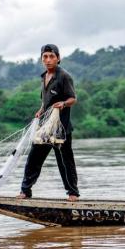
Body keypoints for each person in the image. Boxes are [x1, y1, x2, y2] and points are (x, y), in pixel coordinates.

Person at [18, 44, 80, 201]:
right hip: (45, 128)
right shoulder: (44, 76)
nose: (48, 60)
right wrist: (41, 109)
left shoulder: (64, 76)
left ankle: (72, 193)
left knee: (65, 161)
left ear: (58, 58)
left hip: (61, 128)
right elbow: (45, 101)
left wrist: (64, 104)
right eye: (45, 56)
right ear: (41, 59)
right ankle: (25, 191)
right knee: (34, 158)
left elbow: (73, 98)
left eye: (52, 56)